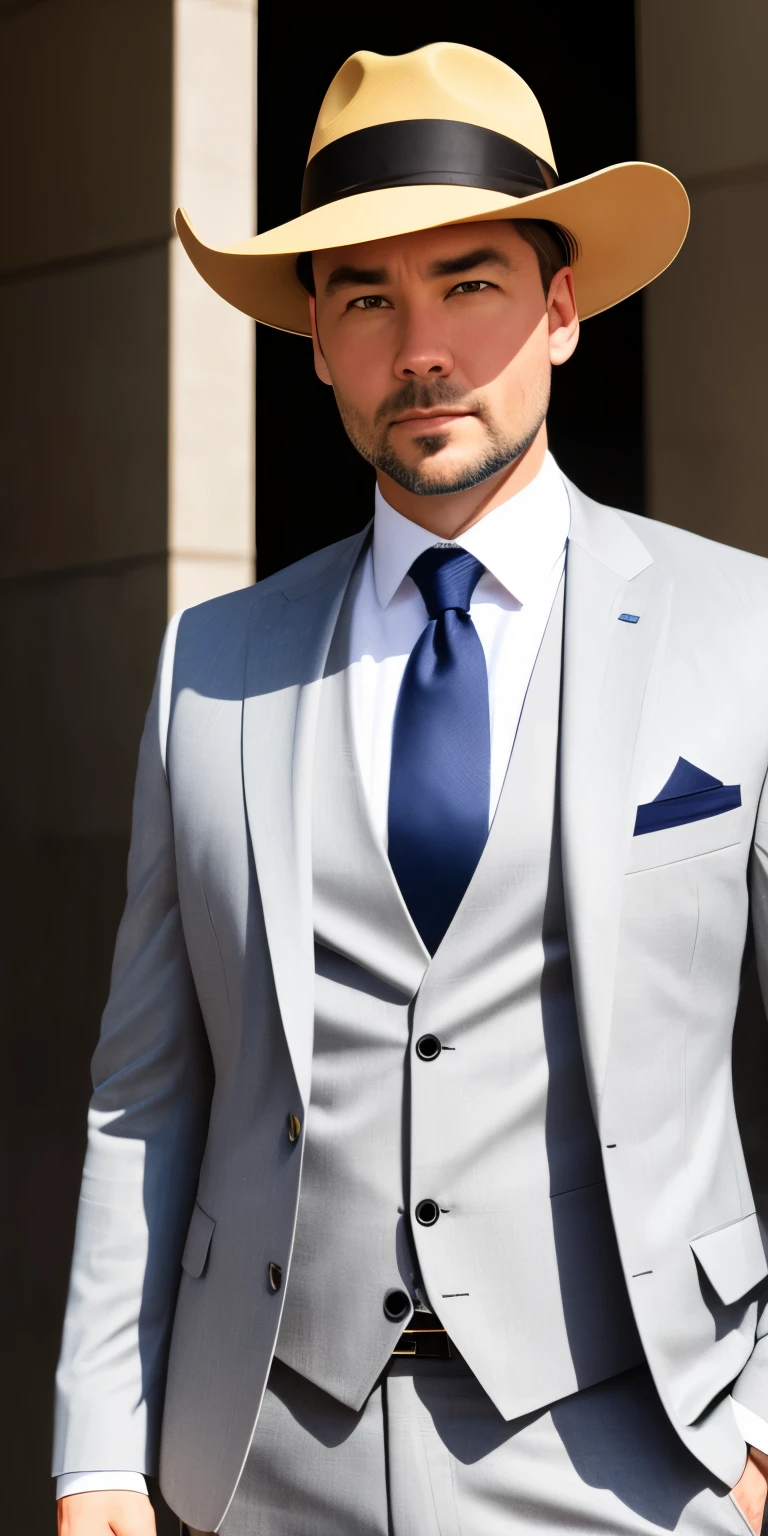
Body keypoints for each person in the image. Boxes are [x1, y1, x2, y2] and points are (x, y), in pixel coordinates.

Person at [55, 41, 768, 1536]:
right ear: (314, 337)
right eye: (368, 298)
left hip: (638, 1459)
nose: (421, 347)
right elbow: (146, 1091)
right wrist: (101, 1457)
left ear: (564, 309)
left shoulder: (743, 630)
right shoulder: (213, 662)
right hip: (261, 1462)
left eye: (471, 283)